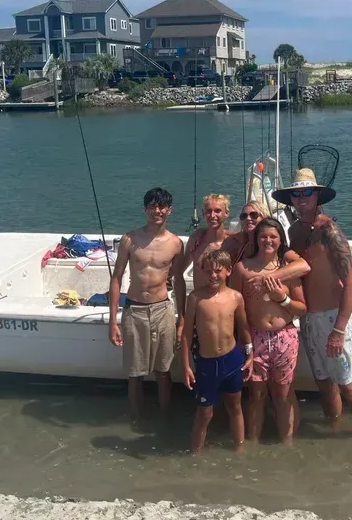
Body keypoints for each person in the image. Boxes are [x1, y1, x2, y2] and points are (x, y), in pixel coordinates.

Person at [274, 169, 352, 438]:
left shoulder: (329, 230)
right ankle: (334, 429)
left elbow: (351, 281)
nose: (301, 198)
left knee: (349, 386)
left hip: (334, 320)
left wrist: (340, 329)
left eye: (306, 192)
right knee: (324, 383)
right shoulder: (294, 231)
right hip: (309, 320)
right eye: (295, 193)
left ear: (317, 195)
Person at [108, 187, 185, 418]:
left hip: (163, 310)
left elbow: (179, 282)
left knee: (163, 371)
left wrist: (182, 320)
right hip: (135, 309)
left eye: (161, 206)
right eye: (152, 206)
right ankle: (136, 417)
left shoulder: (176, 243)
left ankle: (164, 418)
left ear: (169, 211)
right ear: (145, 209)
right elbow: (116, 278)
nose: (157, 211)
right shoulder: (130, 239)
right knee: (135, 373)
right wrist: (113, 322)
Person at [231, 217, 307, 444]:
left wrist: (282, 299)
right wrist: (242, 341)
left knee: (283, 395)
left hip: (285, 337)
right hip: (255, 338)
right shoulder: (242, 269)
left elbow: (302, 309)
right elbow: (235, 307)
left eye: (273, 236)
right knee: (256, 395)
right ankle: (252, 443)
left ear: (280, 240)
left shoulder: (288, 272)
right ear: (256, 238)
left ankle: (287, 444)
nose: (268, 240)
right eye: (263, 236)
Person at [181, 249, 253, 453]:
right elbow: (186, 334)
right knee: (204, 413)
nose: (213, 275)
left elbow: (244, 328)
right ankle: (195, 454)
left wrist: (250, 354)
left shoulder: (236, 297)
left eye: (218, 271)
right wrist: (186, 365)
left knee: (235, 407)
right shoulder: (196, 298)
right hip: (207, 363)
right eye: (208, 271)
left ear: (228, 271)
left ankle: (239, 452)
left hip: (232, 360)